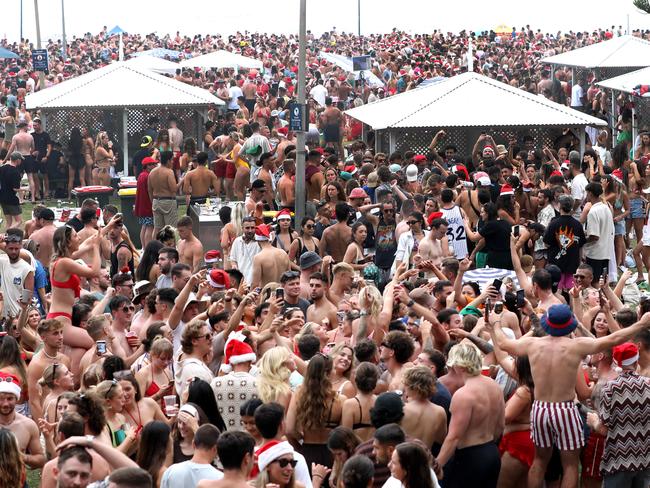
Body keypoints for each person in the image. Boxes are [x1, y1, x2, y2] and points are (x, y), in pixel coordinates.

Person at [487, 303, 650, 488]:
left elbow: (502, 344)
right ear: (568, 325)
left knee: (539, 461)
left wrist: (495, 323)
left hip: (540, 408)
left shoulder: (532, 344)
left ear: (547, 323)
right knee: (570, 464)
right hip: (565, 409)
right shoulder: (576, 346)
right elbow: (614, 339)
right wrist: (641, 324)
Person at [435, 343, 504, 488]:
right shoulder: (494, 385)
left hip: (470, 457)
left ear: (460, 366)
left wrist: (436, 466)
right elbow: (500, 426)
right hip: (492, 452)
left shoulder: (464, 394)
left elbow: (454, 437)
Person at [587, 342, 650, 488]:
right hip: (645, 460)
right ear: (636, 359)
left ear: (616, 361)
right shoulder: (648, 384)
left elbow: (604, 429)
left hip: (619, 461)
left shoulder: (610, 387)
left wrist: (594, 421)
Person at [211, 336, 258, 430]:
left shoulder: (215, 383)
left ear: (231, 363)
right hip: (249, 439)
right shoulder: (259, 383)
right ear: (250, 363)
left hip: (223, 439)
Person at [0, 371, 45, 468]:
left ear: (17, 399)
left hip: (18, 481)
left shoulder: (28, 425)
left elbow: (41, 460)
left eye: (10, 398)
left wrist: (22, 457)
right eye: (1, 398)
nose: (5, 404)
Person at [583, 182, 615, 281]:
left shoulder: (593, 212)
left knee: (594, 282)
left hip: (595, 254)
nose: (586, 196)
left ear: (591, 194)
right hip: (606, 252)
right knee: (602, 282)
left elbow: (594, 236)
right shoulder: (606, 208)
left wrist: (582, 240)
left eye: (587, 193)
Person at [251, 224, 291, 289]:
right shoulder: (283, 253)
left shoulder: (258, 258)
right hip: (282, 293)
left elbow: (255, 285)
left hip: (267, 295)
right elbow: (290, 277)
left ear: (257, 240)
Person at [148, 151, 178, 235]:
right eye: (172, 160)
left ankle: (154, 247)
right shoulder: (169, 172)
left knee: (157, 228)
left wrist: (152, 201)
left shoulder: (152, 172)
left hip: (156, 201)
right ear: (168, 161)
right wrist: (182, 181)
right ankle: (171, 247)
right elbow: (174, 189)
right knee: (171, 228)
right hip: (168, 201)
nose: (172, 162)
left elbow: (149, 190)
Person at [229, 216, 261, 285]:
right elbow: (232, 259)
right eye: (247, 228)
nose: (250, 230)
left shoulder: (260, 241)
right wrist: (234, 266)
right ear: (242, 228)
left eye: (252, 228)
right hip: (241, 282)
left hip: (255, 282)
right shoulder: (237, 241)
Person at [135, 156, 157, 248]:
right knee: (150, 227)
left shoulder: (141, 175)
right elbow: (150, 192)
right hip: (147, 206)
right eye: (152, 164)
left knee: (144, 226)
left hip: (141, 206)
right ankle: (148, 248)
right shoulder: (148, 176)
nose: (154, 166)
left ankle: (144, 248)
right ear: (147, 166)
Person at [0, 152, 25, 228]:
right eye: (20, 159)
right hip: (11, 199)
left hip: (2, 197)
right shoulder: (15, 172)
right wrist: (26, 189)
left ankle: (5, 237)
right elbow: (15, 188)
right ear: (17, 160)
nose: (21, 161)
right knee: (19, 221)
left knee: (9, 222)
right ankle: (8, 235)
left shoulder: (2, 168)